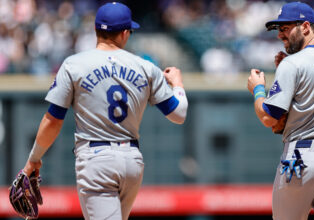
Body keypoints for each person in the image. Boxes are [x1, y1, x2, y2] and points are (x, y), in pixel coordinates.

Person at [21, 2, 188, 219]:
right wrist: (178, 85)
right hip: (132, 161)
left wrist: (34, 158)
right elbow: (179, 114)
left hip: (95, 160)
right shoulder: (146, 67)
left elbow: (53, 120)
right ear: (126, 33)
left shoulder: (74, 64)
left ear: (95, 30)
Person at [247, 2, 314, 220]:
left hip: (301, 157)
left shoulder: (293, 64)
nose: (280, 35)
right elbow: (309, 98)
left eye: (285, 28)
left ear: (305, 27)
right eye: (279, 30)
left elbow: (269, 118)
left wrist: (258, 89)